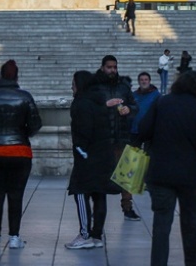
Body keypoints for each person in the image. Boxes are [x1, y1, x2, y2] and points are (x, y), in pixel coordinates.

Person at [139, 71, 196, 266]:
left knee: (161, 225)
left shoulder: (161, 102)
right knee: (191, 222)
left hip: (160, 172)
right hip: (190, 174)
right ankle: (192, 262)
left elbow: (144, 129)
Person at [0, 60, 42, 250]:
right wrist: (22, 134)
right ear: (16, 76)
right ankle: (14, 236)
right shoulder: (25, 96)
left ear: (0, 75)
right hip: (19, 150)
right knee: (16, 195)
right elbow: (35, 123)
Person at [65, 70, 119, 250]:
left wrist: (81, 149)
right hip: (104, 155)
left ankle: (84, 234)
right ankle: (97, 235)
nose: (71, 86)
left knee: (80, 191)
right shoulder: (99, 101)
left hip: (87, 157)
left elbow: (84, 130)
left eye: (73, 82)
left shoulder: (81, 103)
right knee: (99, 193)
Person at [87, 54, 141, 221]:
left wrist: (129, 110)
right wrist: (105, 105)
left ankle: (128, 207)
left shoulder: (123, 86)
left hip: (122, 135)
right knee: (100, 175)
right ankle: (98, 210)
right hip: (102, 137)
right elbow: (87, 107)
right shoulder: (94, 86)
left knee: (127, 173)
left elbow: (134, 105)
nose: (112, 70)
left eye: (115, 67)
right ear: (103, 67)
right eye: (109, 67)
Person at [131, 72, 160, 145]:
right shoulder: (133, 95)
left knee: (149, 154)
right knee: (133, 154)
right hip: (135, 130)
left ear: (149, 81)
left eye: (146, 80)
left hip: (150, 131)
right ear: (138, 82)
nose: (144, 82)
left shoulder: (156, 95)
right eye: (141, 80)